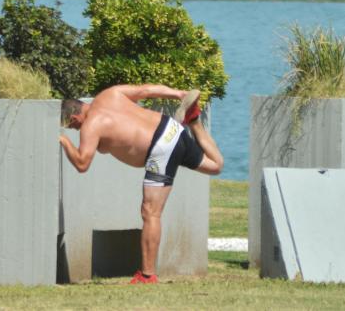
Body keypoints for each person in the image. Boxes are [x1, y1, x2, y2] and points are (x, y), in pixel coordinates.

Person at [59, 84, 224, 284]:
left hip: (159, 149)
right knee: (215, 166)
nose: (76, 130)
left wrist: (63, 140)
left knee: (150, 212)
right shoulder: (108, 95)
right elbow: (145, 91)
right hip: (171, 128)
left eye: (73, 127)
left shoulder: (90, 125)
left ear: (75, 118)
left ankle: (147, 275)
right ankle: (194, 122)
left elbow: (82, 163)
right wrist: (179, 94)